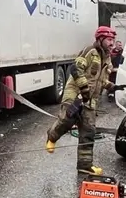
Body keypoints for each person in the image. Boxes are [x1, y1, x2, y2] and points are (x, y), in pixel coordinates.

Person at [46, 25, 116, 175]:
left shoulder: (108, 59)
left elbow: (102, 80)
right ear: (101, 39)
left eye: (113, 40)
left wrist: (112, 87)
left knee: (88, 131)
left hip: (90, 100)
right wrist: (83, 89)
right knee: (67, 120)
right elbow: (75, 69)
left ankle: (84, 165)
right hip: (76, 95)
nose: (112, 43)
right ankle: (51, 137)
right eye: (109, 40)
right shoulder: (90, 51)